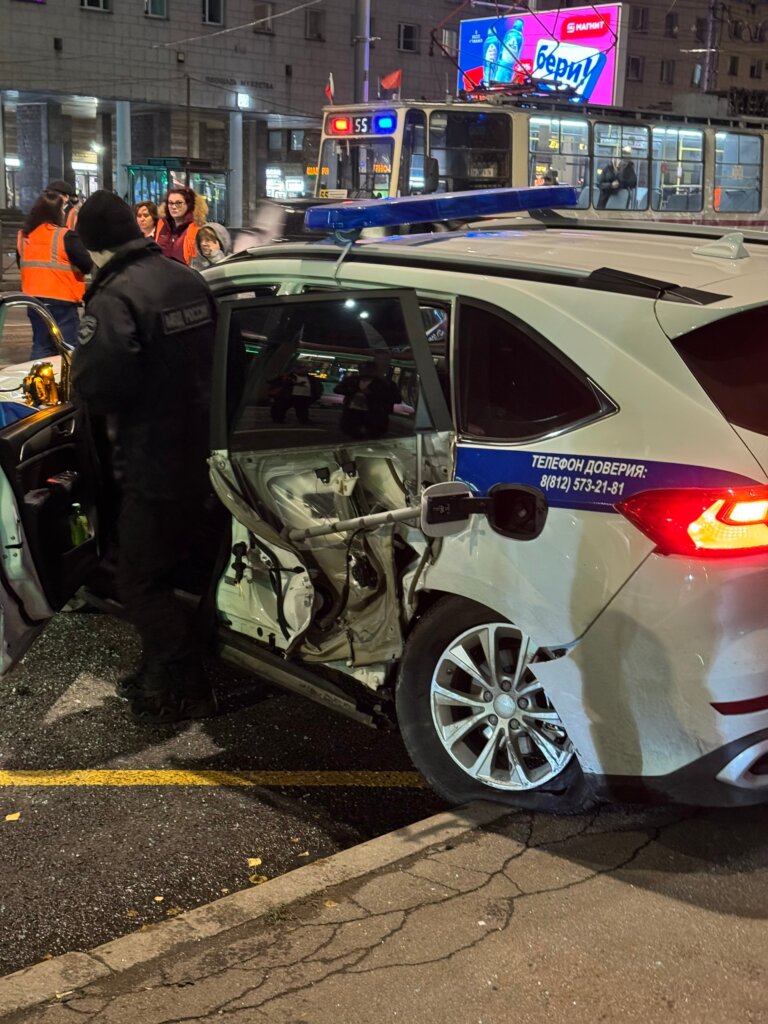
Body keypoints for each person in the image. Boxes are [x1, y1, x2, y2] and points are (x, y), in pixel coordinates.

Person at [71, 189, 218, 724]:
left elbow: (99, 385)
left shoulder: (115, 297)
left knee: (138, 579)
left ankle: (187, 685)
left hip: (156, 459)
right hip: (209, 453)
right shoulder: (186, 277)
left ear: (91, 245)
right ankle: (160, 672)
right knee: (186, 573)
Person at [16, 192, 92, 358]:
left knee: (41, 347)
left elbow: (21, 263)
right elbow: (86, 264)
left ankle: (39, 382)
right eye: (62, 210)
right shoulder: (64, 235)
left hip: (34, 300)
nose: (64, 213)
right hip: (62, 301)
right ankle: (68, 383)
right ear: (55, 212)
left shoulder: (24, 236)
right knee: (68, 349)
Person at [335, 362, 400, 439]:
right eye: (362, 370)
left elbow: (396, 398)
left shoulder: (385, 384)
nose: (364, 373)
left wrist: (373, 394)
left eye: (368, 370)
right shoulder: (352, 380)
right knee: (350, 431)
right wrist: (352, 391)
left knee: (372, 435)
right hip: (352, 412)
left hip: (374, 414)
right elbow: (338, 389)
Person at [155, 185, 207, 265]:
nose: (174, 207)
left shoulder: (197, 228)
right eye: (170, 203)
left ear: (188, 204)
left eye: (179, 203)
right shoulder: (162, 224)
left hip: (186, 274)